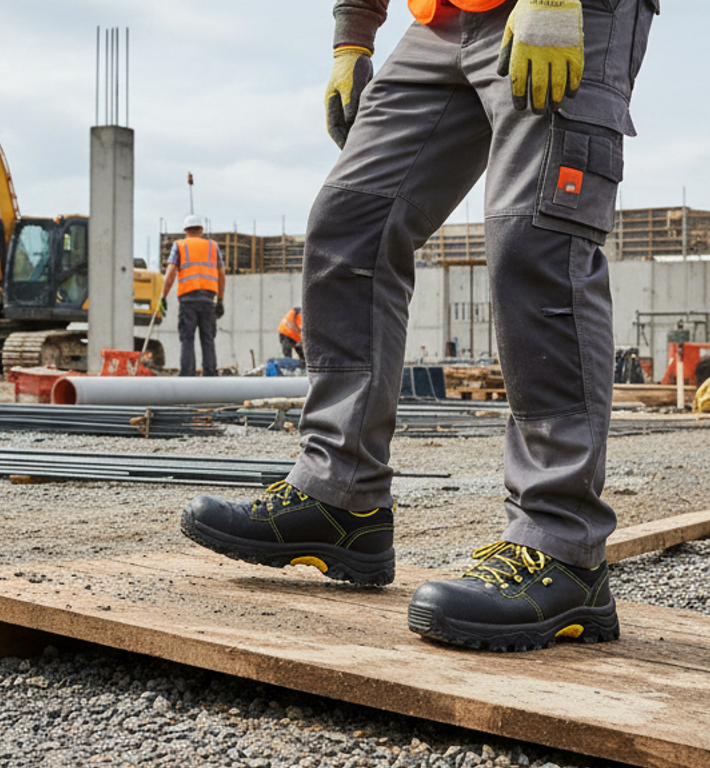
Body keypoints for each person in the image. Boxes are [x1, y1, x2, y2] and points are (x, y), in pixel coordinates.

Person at [181, 0, 656, 652]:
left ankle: (563, 542)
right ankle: (339, 492)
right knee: (350, 224)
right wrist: (352, 35)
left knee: (536, 239)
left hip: (565, 10)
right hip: (443, 18)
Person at [161, 215, 226, 377]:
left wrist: (163, 295)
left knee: (187, 338)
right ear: (201, 230)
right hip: (208, 299)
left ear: (185, 230)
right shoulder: (213, 246)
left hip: (187, 299)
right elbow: (221, 274)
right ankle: (210, 375)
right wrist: (221, 299)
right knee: (208, 339)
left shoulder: (180, 245)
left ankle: (187, 376)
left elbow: (170, 272)